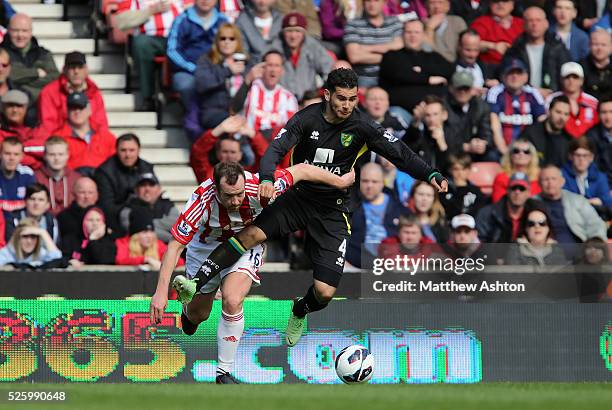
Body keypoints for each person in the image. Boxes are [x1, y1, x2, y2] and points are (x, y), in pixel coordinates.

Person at [162, 68, 448, 348]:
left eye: (351, 99)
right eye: (341, 98)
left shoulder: (363, 127)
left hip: (333, 209)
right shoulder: (305, 119)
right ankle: (196, 283)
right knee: (249, 235)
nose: (346, 105)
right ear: (327, 95)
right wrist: (266, 177)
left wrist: (431, 174)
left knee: (324, 293)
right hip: (297, 198)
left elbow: (401, 154)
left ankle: (299, 310)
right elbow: (275, 148)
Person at [149, 161, 356, 383]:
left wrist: (340, 181)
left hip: (245, 245)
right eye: (228, 197)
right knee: (198, 316)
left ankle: (223, 372)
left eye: (238, 194)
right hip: (204, 249)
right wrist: (161, 293)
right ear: (216, 190)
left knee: (232, 299)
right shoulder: (202, 199)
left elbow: (302, 170)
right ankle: (189, 313)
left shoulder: (259, 185)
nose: (236, 201)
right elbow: (174, 246)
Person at [115, 0, 190, 111]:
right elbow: (121, 21)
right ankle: (148, 97)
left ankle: (185, 96)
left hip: (180, 38)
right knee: (141, 44)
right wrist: (151, 10)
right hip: (151, 38)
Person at [379, 19, 455, 114]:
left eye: (417, 32)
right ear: (402, 34)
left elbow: (449, 69)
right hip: (401, 110)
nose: (413, 36)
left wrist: (420, 70)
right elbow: (399, 73)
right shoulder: (391, 56)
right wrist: (428, 79)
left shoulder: (432, 57)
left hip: (433, 113)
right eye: (409, 32)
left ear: (423, 35)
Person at [166, 0, 229, 106]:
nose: (205, 1)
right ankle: (193, 119)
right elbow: (172, 51)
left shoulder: (223, 21)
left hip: (216, 70)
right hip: (188, 72)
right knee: (185, 85)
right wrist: (193, 69)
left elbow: (232, 47)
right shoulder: (182, 20)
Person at [192, 23, 252, 133]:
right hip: (215, 112)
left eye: (231, 39)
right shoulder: (207, 60)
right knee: (234, 125)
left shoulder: (247, 63)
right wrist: (228, 71)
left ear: (238, 42)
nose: (226, 42)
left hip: (244, 112)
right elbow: (202, 84)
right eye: (223, 38)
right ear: (217, 41)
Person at [502, 6, 571, 98]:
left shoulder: (558, 48)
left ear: (546, 23)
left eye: (538, 20)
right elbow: (507, 75)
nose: (534, 24)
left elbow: (567, 74)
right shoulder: (515, 49)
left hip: (553, 97)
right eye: (530, 20)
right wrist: (533, 91)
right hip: (522, 98)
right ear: (524, 25)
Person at [37, 51, 108, 137]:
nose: (76, 71)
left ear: (86, 70)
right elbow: (48, 126)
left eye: (80, 67)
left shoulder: (94, 92)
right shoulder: (49, 92)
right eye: (72, 67)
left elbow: (101, 124)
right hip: (61, 142)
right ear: (64, 70)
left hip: (91, 141)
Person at [94, 134, 156, 229]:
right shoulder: (104, 172)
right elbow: (106, 207)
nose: (127, 155)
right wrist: (131, 208)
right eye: (123, 150)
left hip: (146, 214)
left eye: (132, 150)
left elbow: (155, 194)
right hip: (117, 220)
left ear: (139, 150)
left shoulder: (146, 167)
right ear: (116, 150)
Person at [346, 162, 402, 266]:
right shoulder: (349, 206)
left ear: (382, 182)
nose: (369, 186)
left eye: (374, 181)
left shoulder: (398, 208)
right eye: (365, 181)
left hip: (391, 266)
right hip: (354, 265)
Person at [231, 50, 299, 136]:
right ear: (262, 67)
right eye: (269, 65)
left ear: (282, 70)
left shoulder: (289, 98)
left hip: (274, 145)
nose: (273, 70)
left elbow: (291, 130)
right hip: (248, 142)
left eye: (277, 65)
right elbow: (234, 109)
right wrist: (248, 80)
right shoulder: (250, 89)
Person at [535, 164, 607, 244]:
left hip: (579, 249)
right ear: (539, 183)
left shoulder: (578, 201)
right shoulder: (533, 203)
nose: (550, 183)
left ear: (562, 182)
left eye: (554, 179)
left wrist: (595, 244)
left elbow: (596, 225)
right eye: (546, 179)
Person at [189, 115, 272, 183]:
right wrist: (218, 130)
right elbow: (197, 154)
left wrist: (253, 135)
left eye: (233, 152)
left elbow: (267, 159)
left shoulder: (250, 176)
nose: (229, 156)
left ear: (240, 154)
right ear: (218, 153)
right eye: (225, 152)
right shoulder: (209, 176)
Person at [487, 58, 546, 154]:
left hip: (529, 151)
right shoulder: (495, 93)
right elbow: (494, 125)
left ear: (526, 77)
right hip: (501, 149)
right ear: (503, 76)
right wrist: (504, 151)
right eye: (510, 73)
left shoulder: (533, 94)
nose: (515, 76)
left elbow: (542, 120)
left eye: (519, 73)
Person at [271, 12, 333, 101]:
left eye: (297, 31)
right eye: (289, 31)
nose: (293, 36)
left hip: (308, 100)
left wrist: (320, 92)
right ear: (283, 32)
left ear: (304, 32)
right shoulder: (275, 48)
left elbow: (329, 68)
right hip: (281, 101)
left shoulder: (313, 46)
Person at [343, 0, 404, 87]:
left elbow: (400, 49)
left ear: (384, 2)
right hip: (365, 78)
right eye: (368, 1)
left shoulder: (394, 22)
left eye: (376, 1)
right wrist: (389, 53)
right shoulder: (353, 24)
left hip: (393, 76)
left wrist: (365, 48)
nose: (372, 4)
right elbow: (354, 57)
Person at [0, 13, 59, 101]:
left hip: (39, 105)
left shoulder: (43, 54)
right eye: (15, 30)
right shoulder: (1, 53)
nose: (20, 35)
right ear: (8, 30)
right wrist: (35, 73)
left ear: (31, 32)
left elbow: (54, 78)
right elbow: (5, 76)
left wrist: (24, 87)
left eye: (24, 31)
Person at [55, 92, 116, 173]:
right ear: (67, 111)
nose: (77, 111)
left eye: (81, 108)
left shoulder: (106, 137)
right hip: (71, 182)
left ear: (89, 109)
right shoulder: (58, 138)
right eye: (73, 108)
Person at [444, 70, 496, 161]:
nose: (463, 92)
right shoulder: (443, 106)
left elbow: (487, 134)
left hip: (475, 152)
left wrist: (482, 144)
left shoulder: (481, 107)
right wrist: (465, 147)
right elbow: (444, 136)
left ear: (472, 89)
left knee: (492, 156)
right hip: (450, 151)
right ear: (451, 88)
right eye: (459, 88)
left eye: (466, 88)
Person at [404, 94, 462, 171]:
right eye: (427, 115)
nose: (431, 119)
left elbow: (455, 167)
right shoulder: (420, 134)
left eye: (435, 114)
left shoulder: (455, 134)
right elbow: (406, 150)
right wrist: (415, 122)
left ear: (444, 115)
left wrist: (442, 144)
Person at [119, 172, 179, 243]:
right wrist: (171, 239)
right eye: (143, 185)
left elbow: (176, 226)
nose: (147, 189)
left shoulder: (169, 206)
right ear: (136, 190)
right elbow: (133, 232)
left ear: (159, 189)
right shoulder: (128, 209)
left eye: (151, 185)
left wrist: (144, 225)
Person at [477, 172, 536, 243]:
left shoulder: (535, 213)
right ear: (507, 190)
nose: (517, 192)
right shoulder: (487, 214)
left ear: (529, 193)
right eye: (513, 188)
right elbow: (479, 243)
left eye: (522, 189)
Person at [545, 62, 600, 139]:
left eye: (575, 77)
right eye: (567, 77)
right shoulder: (551, 99)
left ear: (582, 80)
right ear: (561, 79)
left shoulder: (593, 102)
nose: (571, 81)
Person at [504, 205, 568, 266]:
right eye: (531, 224)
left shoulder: (556, 249)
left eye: (542, 223)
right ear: (526, 228)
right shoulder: (515, 249)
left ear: (548, 228)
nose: (537, 226)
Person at [520, 94, 572, 167]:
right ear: (548, 112)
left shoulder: (568, 140)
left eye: (566, 114)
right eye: (558, 112)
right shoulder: (531, 133)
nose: (562, 118)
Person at [34, 137, 81, 216]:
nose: (57, 158)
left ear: (67, 155)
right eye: (52, 154)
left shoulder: (77, 179)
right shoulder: (35, 178)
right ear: (45, 156)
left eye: (61, 154)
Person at [561, 137, 612, 210]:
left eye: (585, 156)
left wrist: (601, 201)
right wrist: (588, 202)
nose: (581, 159)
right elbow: (563, 199)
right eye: (577, 155)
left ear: (591, 158)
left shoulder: (600, 177)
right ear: (571, 156)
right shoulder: (561, 175)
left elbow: (608, 201)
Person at [470, 0, 524, 68]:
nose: (500, 4)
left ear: (513, 4)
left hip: (519, 67)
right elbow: (470, 45)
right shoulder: (481, 22)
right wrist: (493, 46)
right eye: (496, 1)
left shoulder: (522, 23)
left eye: (505, 1)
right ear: (490, 4)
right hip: (490, 67)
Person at [0, 90, 45, 170]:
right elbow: (5, 156)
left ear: (26, 108)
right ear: (3, 108)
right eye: (10, 106)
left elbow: (45, 148)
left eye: (19, 106)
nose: (15, 110)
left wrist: (21, 148)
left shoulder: (35, 127)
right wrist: (36, 163)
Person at [57, 177, 100, 259]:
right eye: (82, 192)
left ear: (97, 195)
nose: (86, 196)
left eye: (90, 192)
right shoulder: (63, 218)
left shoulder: (105, 216)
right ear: (73, 194)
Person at [491, 138, 541, 202]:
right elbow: (498, 203)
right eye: (516, 151)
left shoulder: (539, 177)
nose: (521, 154)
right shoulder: (501, 178)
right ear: (510, 155)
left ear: (532, 156)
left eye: (526, 152)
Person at [440, 153, 486, 219]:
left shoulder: (476, 191)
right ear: (450, 170)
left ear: (469, 170)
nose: (460, 173)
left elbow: (480, 213)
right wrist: (460, 188)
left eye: (464, 169)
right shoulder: (444, 191)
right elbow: (450, 213)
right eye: (456, 169)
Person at [0, 136, 34, 212]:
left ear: (22, 156)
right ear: (0, 154)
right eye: (7, 153)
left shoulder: (27, 175)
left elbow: (34, 204)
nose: (11, 158)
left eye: (16, 154)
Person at [580, 29, 611, 101]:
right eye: (596, 44)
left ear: (611, 47)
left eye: (603, 45)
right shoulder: (580, 67)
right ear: (589, 45)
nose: (599, 48)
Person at [587, 98, 612, 187]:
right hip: (604, 186)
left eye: (611, 112)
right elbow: (593, 168)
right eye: (604, 112)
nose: (608, 117)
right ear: (598, 114)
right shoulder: (591, 136)